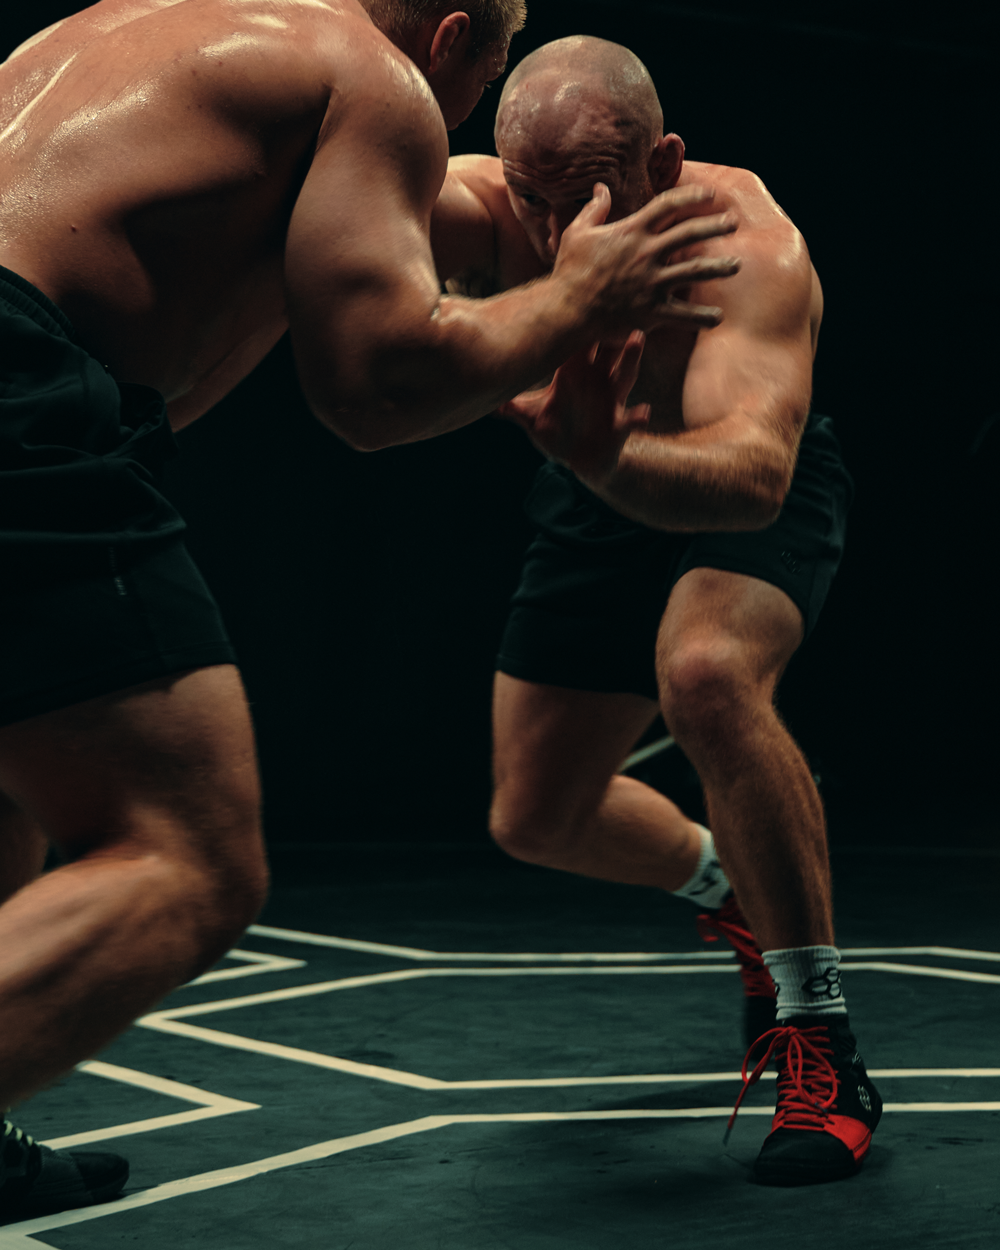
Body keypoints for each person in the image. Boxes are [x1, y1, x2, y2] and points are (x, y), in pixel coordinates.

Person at [0, 0, 744, 1219]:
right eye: (494, 65)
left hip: (40, 372)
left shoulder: (128, 31)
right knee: (187, 855)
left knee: (13, 767)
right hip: (19, 382)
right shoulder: (376, 81)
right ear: (458, 37)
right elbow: (376, 389)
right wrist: (581, 299)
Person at [432, 34, 880, 1186]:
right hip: (595, 480)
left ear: (664, 162)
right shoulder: (473, 213)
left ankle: (820, 1036)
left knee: (707, 675)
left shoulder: (748, 245)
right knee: (534, 814)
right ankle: (733, 878)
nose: (563, 230)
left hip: (733, 482)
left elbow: (752, 482)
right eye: (537, 195)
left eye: (595, 192)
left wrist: (607, 453)